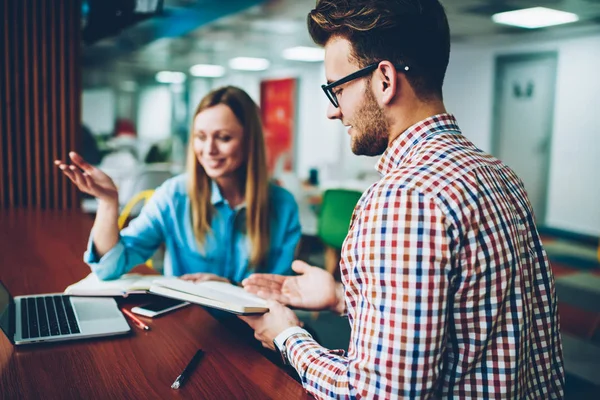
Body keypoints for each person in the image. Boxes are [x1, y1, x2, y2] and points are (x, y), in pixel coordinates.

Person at [239, 1, 565, 398]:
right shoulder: (498, 173)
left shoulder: (403, 200)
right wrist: (345, 298)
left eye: (337, 89)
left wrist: (288, 337)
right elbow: (471, 328)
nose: (333, 111)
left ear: (384, 80)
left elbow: (379, 393)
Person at [55, 86, 301, 284]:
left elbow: (282, 288)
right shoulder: (174, 195)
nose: (209, 150)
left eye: (223, 138)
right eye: (201, 137)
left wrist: (230, 291)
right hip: (188, 325)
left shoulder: (282, 205)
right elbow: (109, 268)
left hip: (254, 331)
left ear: (250, 142)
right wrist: (108, 203)